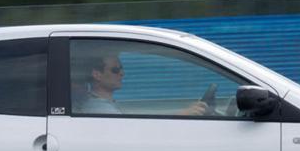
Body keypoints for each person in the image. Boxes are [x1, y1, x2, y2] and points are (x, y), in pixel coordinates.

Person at [79, 51, 209, 116]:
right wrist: (183, 115)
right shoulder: (100, 110)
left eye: (121, 68)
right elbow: (133, 133)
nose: (122, 73)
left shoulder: (105, 104)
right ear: (97, 74)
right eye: (115, 69)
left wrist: (183, 113)